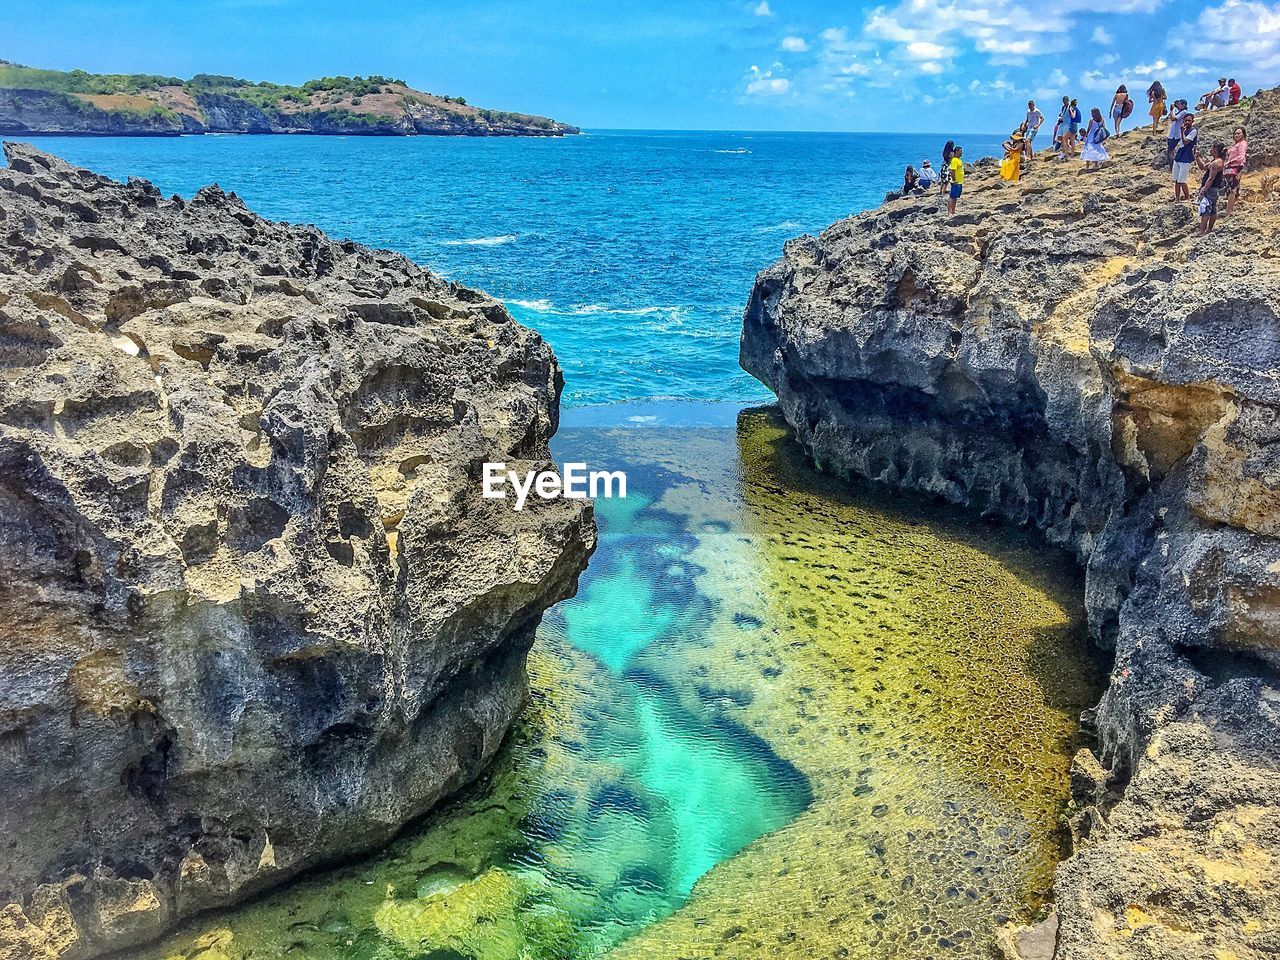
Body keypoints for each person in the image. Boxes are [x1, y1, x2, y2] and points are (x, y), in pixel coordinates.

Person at [1197, 141, 1227, 235]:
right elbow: (1203, 167)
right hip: (1214, 189)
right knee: (1213, 209)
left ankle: (1202, 231)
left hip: (1211, 189)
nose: (1210, 149)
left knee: (1205, 209)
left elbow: (1211, 178)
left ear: (1215, 150)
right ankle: (1209, 229)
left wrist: (1204, 190)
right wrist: (1197, 157)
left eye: (1211, 147)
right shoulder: (1215, 161)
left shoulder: (1216, 163)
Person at [1171, 112, 1199, 201]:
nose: (1187, 122)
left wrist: (1182, 132)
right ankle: (1177, 197)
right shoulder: (1183, 129)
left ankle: (1187, 196)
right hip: (1179, 155)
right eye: (1186, 120)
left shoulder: (1193, 131)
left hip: (1186, 157)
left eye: (1189, 121)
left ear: (1192, 121)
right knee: (1176, 179)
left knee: (1181, 180)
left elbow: (1186, 141)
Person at [1222, 125, 1248, 217]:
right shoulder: (1236, 144)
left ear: (1243, 134)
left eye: (1239, 133)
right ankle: (1232, 207)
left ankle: (1229, 210)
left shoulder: (1242, 143)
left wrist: (1230, 162)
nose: (1237, 135)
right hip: (1231, 167)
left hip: (1236, 167)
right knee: (1232, 187)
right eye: (1235, 133)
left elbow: (1241, 157)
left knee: (1232, 188)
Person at [947, 145, 965, 214]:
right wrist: (954, 180)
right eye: (960, 152)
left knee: (955, 197)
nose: (961, 153)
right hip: (955, 182)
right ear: (956, 151)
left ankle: (953, 211)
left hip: (960, 182)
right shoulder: (954, 160)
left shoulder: (959, 160)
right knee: (952, 197)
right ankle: (949, 212)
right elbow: (952, 171)